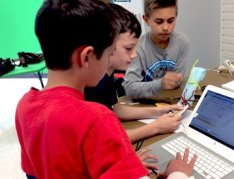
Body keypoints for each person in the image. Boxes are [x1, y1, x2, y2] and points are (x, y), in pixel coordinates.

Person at [15, 0, 196, 178]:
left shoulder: (24, 106)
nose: (109, 62)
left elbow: (35, 172)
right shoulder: (97, 119)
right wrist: (177, 174)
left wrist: (125, 165)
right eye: (109, 53)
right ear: (86, 57)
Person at [85, 3, 183, 144]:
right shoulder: (93, 84)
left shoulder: (106, 76)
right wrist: (156, 127)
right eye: (128, 48)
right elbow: (104, 139)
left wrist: (159, 112)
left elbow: (115, 110)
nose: (134, 55)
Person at [123, 0, 190, 99]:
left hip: (170, 101)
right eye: (159, 22)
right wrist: (161, 84)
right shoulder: (138, 48)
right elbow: (130, 88)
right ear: (146, 20)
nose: (166, 27)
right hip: (145, 105)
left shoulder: (182, 42)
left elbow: (176, 83)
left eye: (171, 21)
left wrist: (173, 82)